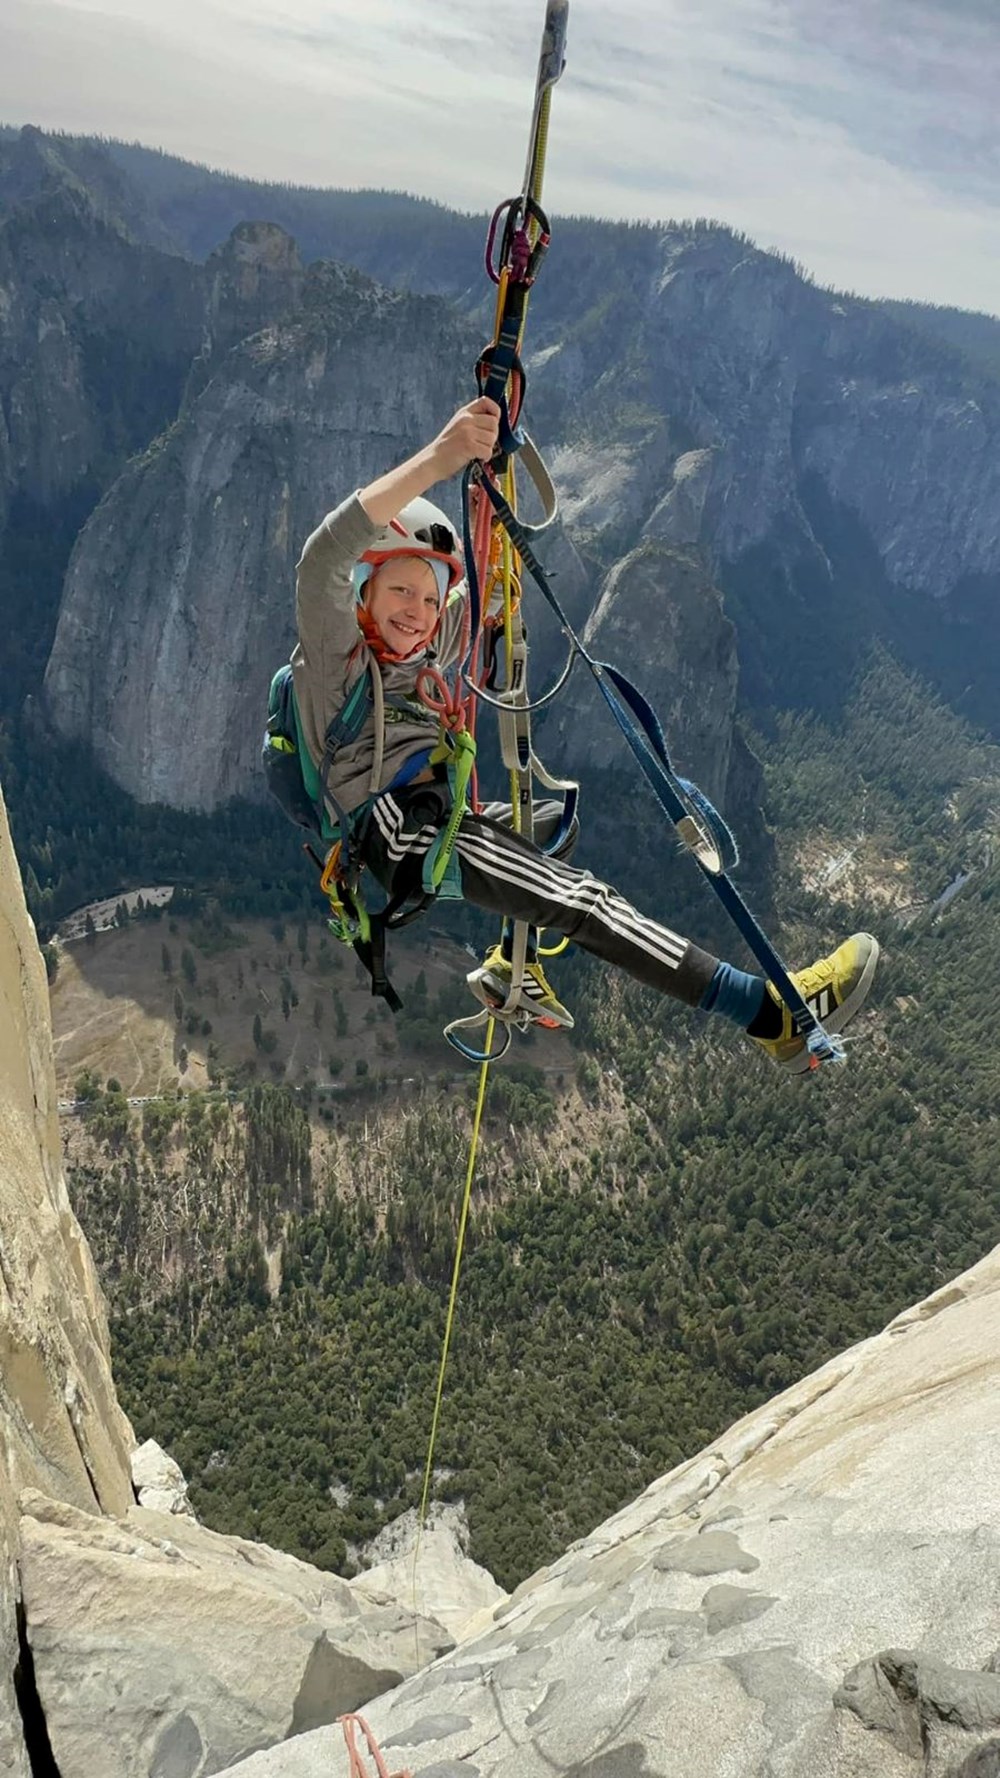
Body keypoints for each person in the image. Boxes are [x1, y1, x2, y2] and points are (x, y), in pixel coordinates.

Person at [290, 397, 878, 1072]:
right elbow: (321, 557)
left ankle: (515, 959)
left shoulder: (420, 647)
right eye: (399, 592)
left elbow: (480, 594)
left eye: (428, 598)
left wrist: (492, 479)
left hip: (433, 818)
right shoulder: (337, 659)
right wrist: (442, 456)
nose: (417, 614)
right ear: (362, 591)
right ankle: (771, 1015)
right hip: (396, 833)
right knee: (585, 900)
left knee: (556, 817)